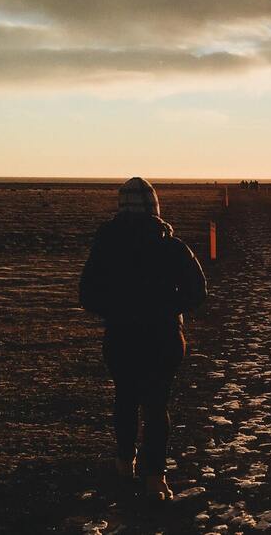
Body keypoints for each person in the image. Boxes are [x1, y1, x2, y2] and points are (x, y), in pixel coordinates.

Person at [79, 177, 207, 500]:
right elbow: (198, 291)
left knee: (124, 397)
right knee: (155, 404)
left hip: (121, 336)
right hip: (164, 337)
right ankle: (155, 480)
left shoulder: (106, 246)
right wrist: (167, 309)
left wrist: (118, 310)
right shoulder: (172, 246)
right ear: (155, 207)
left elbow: (87, 294)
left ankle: (125, 462)